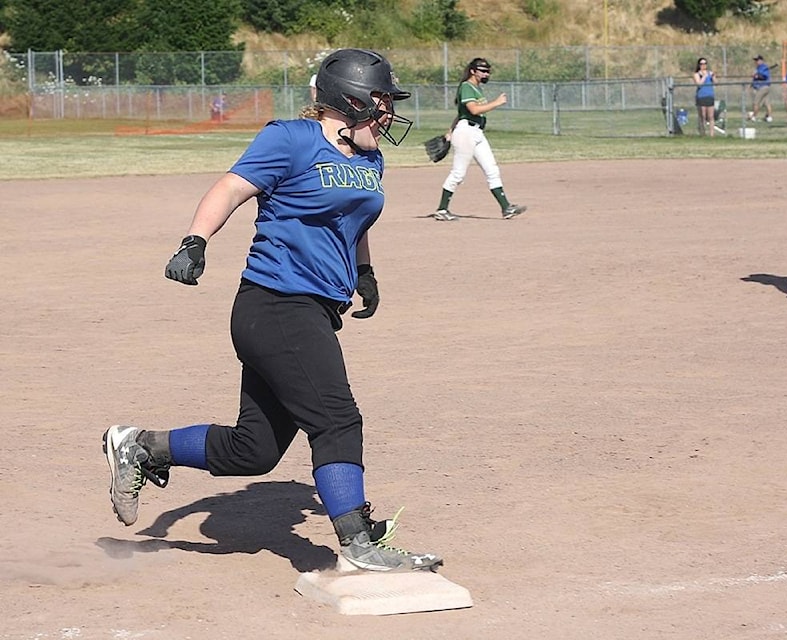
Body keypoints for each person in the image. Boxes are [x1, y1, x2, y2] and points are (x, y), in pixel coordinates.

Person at [102, 48, 443, 573]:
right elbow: (231, 188)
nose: (388, 113)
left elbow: (353, 222)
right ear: (348, 100)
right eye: (380, 101)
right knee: (336, 419)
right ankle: (357, 543)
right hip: (277, 304)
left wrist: (365, 272)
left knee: (253, 451)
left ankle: (141, 447)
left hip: (311, 310)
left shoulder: (369, 156)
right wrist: (195, 241)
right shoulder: (291, 139)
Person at [432, 57, 526, 221]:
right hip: (466, 133)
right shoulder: (467, 87)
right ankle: (442, 210)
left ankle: (506, 208)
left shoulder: (475, 88)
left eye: (487, 71)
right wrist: (496, 103)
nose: (486, 74)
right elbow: (473, 110)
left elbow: (461, 113)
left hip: (476, 133)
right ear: (473, 71)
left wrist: (449, 132)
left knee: (492, 169)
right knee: (458, 174)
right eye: (482, 71)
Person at [693, 57, 717, 137]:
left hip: (710, 95)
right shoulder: (697, 74)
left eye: (705, 63)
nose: (703, 65)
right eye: (701, 64)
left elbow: (715, 82)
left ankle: (712, 134)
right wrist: (704, 76)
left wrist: (713, 77)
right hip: (701, 96)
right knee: (702, 115)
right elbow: (699, 84)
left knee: (710, 116)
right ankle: (703, 133)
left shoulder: (710, 73)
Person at [749, 54, 773, 123]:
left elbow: (764, 77)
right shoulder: (758, 68)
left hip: (763, 87)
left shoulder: (764, 67)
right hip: (759, 87)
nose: (756, 62)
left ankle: (754, 116)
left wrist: (757, 76)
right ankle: (769, 117)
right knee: (766, 102)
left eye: (757, 60)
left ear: (761, 60)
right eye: (755, 60)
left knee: (756, 102)